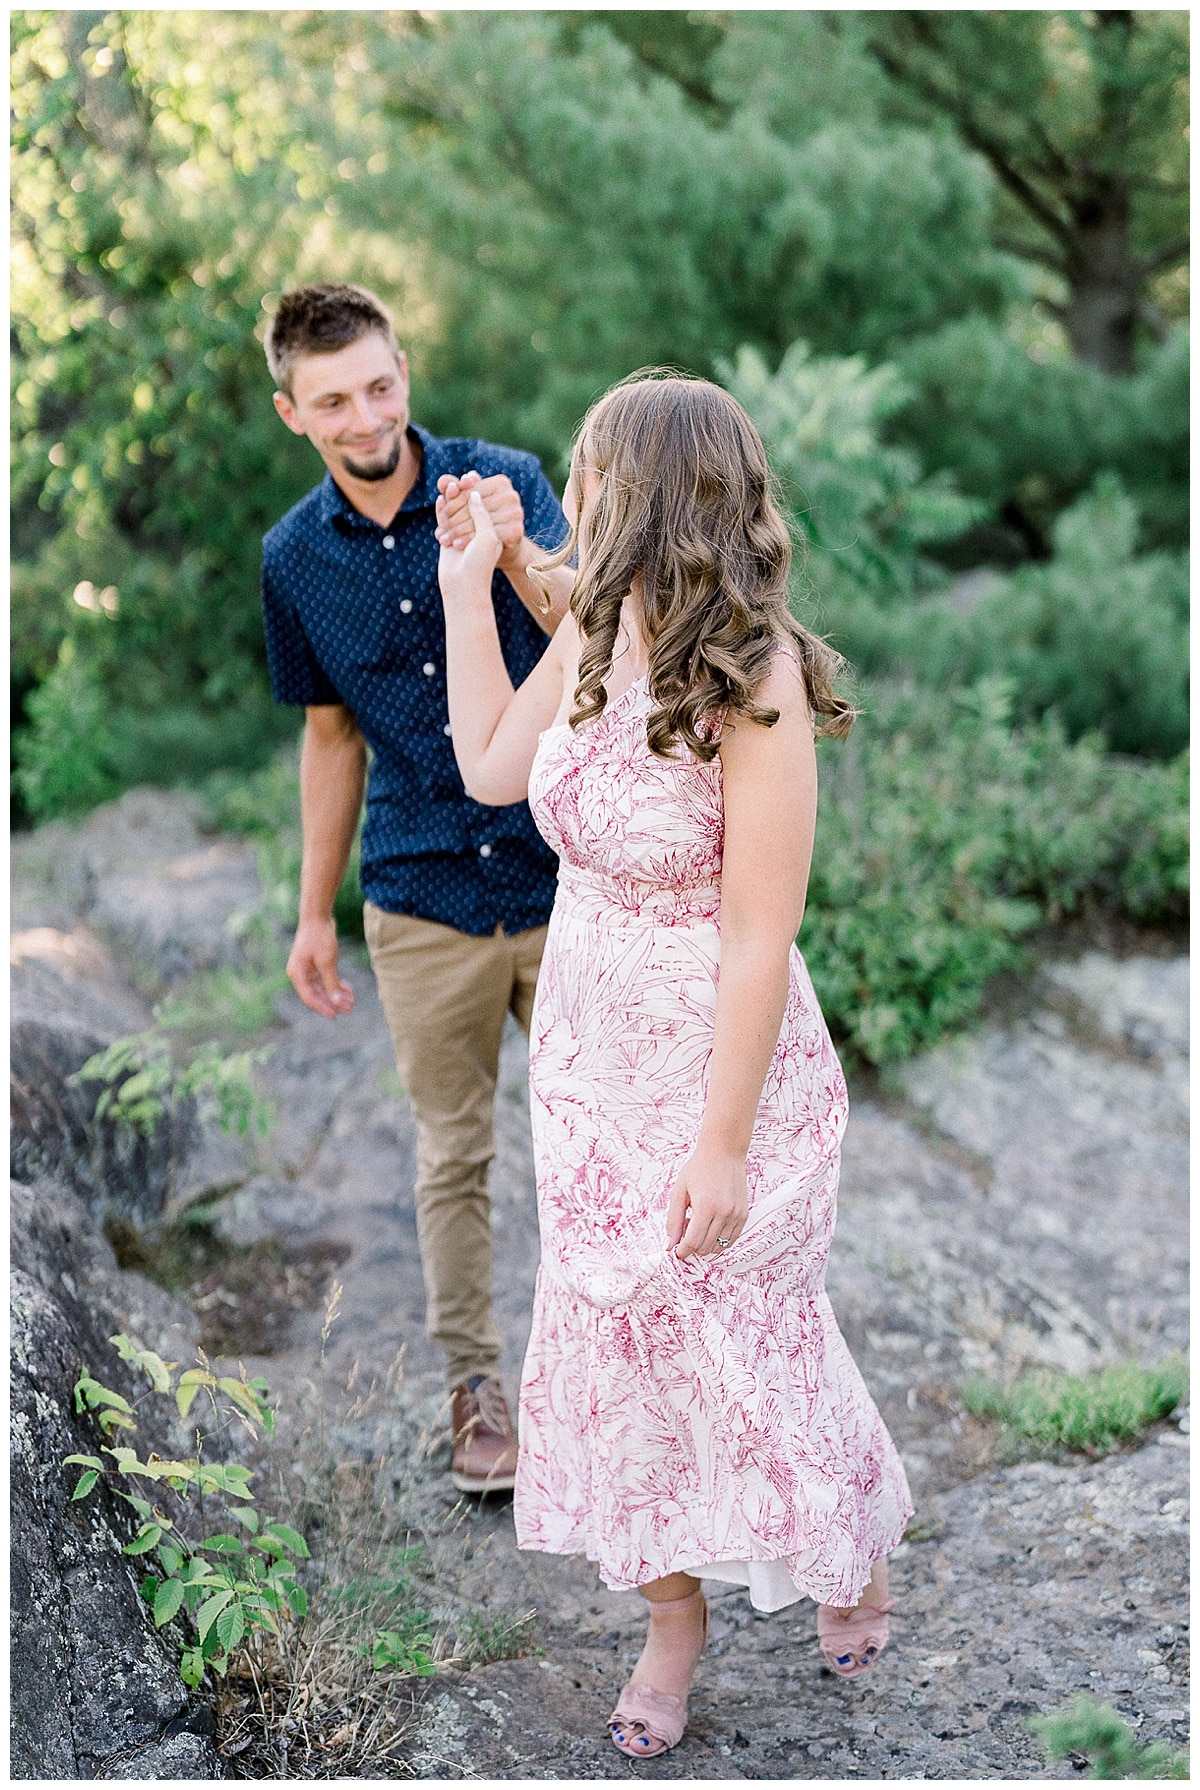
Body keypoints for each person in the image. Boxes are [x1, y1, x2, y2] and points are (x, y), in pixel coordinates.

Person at [434, 372, 913, 1757]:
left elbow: (762, 938)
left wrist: (720, 1144)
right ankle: (672, 1616)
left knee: (740, 1325)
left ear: (635, 492)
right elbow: (484, 767)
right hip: (586, 1056)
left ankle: (848, 1538)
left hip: (725, 1061)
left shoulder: (751, 676)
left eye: (585, 473)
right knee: (614, 1336)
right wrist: (476, 589)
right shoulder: (594, 627)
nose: (566, 494)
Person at [259, 283, 575, 1493]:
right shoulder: (293, 560)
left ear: (405, 372)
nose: (365, 414)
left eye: (379, 385)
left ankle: (628, 1377)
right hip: (418, 894)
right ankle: (476, 1391)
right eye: (333, 399)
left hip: (561, 873)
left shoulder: (508, 475)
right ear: (295, 411)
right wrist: (310, 910)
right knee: (452, 1154)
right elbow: (331, 737)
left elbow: (593, 634)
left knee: (604, 1136)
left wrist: (525, 549)